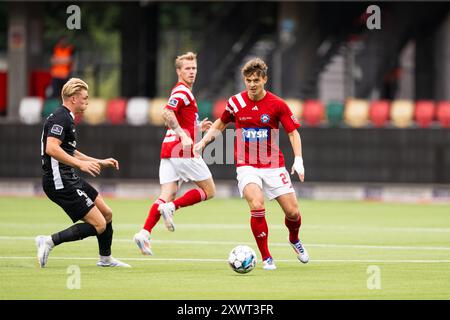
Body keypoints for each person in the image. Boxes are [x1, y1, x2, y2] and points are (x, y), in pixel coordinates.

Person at [194, 58, 309, 270]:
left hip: (273, 165)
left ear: (265, 79)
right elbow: (220, 123)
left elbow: (293, 133)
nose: (252, 84)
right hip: (246, 165)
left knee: (293, 213)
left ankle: (294, 239)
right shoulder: (236, 102)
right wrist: (203, 141)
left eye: (256, 79)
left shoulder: (278, 104)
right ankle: (267, 258)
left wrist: (299, 159)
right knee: (256, 204)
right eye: (248, 80)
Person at [35, 78, 130, 268]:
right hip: (59, 181)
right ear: (72, 99)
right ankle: (49, 241)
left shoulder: (66, 117)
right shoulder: (60, 118)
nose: (87, 101)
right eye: (84, 98)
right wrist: (80, 164)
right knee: (99, 224)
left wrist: (97, 161)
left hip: (68, 176)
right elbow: (52, 148)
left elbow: (69, 150)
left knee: (107, 214)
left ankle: (105, 259)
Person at [133, 52, 215, 255]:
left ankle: (144, 234)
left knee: (166, 194)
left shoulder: (182, 91)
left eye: (194, 68)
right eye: (187, 68)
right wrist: (184, 135)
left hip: (168, 150)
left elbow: (175, 117)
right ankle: (172, 208)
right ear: (178, 71)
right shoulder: (182, 91)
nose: (192, 72)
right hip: (181, 150)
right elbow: (166, 113)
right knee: (209, 191)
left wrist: (196, 127)